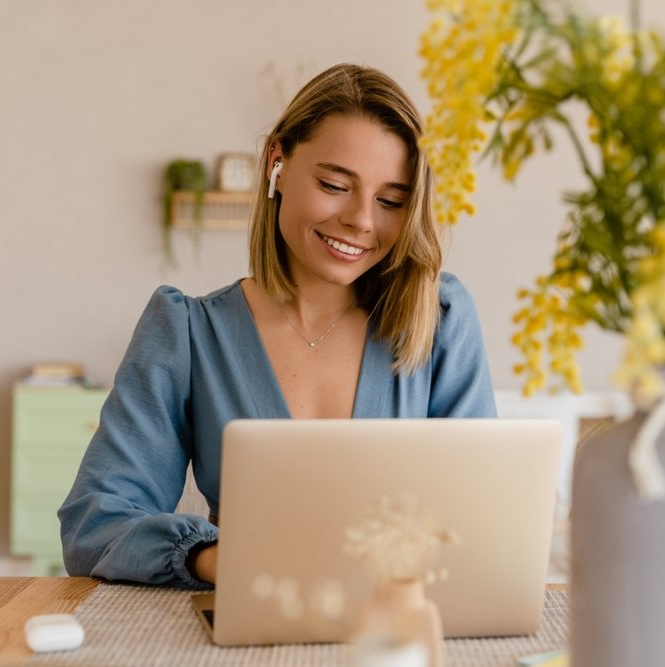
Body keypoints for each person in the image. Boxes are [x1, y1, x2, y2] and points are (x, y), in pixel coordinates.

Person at [59, 63, 496, 589]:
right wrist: (216, 558)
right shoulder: (187, 333)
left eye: (390, 201)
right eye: (335, 184)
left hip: (399, 631)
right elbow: (95, 524)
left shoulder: (440, 318)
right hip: (251, 626)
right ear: (278, 164)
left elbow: (482, 523)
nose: (361, 219)